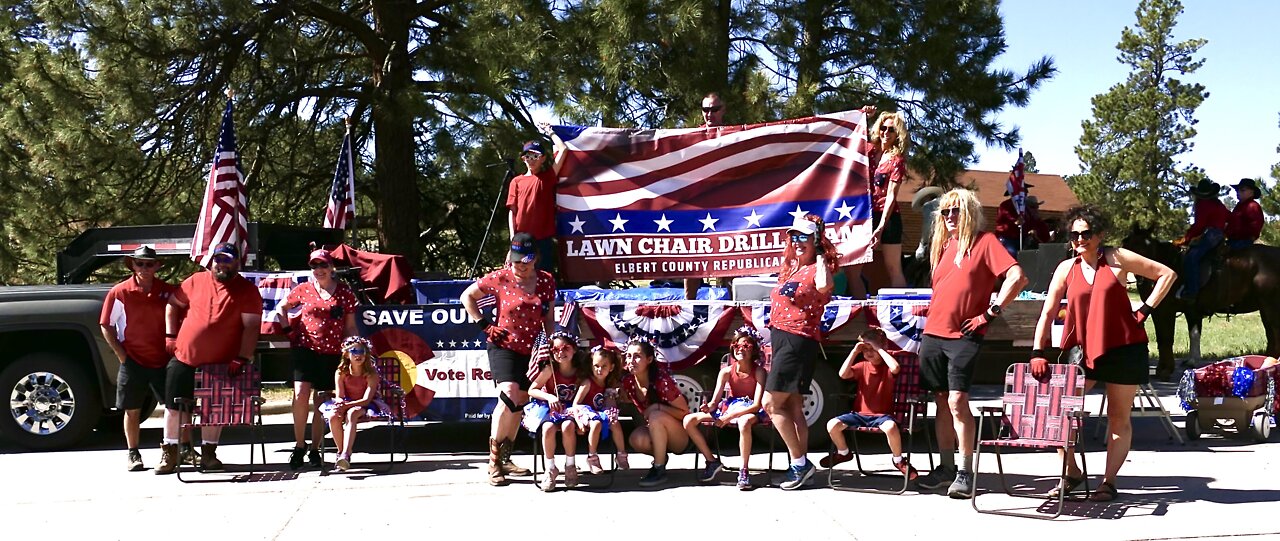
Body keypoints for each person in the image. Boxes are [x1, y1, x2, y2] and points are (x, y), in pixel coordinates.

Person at [1030, 205, 1176, 502]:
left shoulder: (1117, 258)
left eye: (1086, 233)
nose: (1079, 239)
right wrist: (1038, 351)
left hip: (1124, 348)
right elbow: (1047, 313)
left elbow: (1167, 274)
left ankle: (1108, 482)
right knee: (1057, 412)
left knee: (1118, 417)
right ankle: (1071, 472)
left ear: (1099, 234)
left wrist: (1145, 309)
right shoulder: (1065, 269)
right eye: (1074, 234)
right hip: (1083, 351)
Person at [914, 188, 1027, 498]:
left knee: (956, 402)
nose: (950, 217)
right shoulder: (945, 246)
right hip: (933, 334)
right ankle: (947, 468)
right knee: (940, 403)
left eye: (956, 211)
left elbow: (1017, 277)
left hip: (963, 336)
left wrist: (989, 314)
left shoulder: (985, 242)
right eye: (946, 212)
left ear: (970, 213)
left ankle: (965, 471)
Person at [155, 242, 263, 475]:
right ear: (212, 261)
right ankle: (170, 452)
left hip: (221, 363)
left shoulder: (247, 290)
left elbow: (251, 327)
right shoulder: (195, 281)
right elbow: (173, 305)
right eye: (218, 259)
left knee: (214, 409)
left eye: (227, 260)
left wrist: (242, 357)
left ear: (236, 262)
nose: (221, 264)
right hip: (184, 357)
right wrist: (170, 335)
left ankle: (209, 454)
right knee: (174, 407)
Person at [461, 232, 556, 486]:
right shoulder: (499, 278)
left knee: (521, 401)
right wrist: (484, 324)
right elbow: (467, 296)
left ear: (535, 258)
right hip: (504, 344)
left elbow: (548, 316)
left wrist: (552, 340)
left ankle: (506, 457)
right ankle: (492, 461)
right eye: (516, 261)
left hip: (533, 348)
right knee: (508, 393)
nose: (520, 267)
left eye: (524, 261)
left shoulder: (546, 281)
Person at [766, 213, 837, 490]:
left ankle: (800, 464)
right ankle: (799, 464)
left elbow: (824, 286)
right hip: (783, 337)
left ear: (816, 240)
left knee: (771, 404)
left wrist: (819, 253)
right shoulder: (793, 269)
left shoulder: (819, 267)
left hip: (798, 339)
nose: (797, 242)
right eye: (793, 237)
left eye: (804, 238)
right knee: (794, 406)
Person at [276, 248, 358, 470]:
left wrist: (353, 349)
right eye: (314, 266)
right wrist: (288, 331)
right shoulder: (303, 289)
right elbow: (280, 307)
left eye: (323, 265)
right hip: (305, 349)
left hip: (332, 353)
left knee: (323, 402)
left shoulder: (345, 293)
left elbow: (350, 326)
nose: (318, 270)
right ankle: (299, 445)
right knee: (300, 394)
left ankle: (315, 447)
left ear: (331, 267)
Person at [99, 246, 179, 471]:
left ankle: (180, 448)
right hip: (132, 361)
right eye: (140, 263)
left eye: (149, 264)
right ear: (132, 265)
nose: (145, 268)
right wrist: (122, 356)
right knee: (131, 409)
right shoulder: (120, 291)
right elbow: (106, 325)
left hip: (163, 360)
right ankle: (133, 453)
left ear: (157, 266)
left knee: (175, 407)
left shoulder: (168, 291)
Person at [820, 327, 917, 479]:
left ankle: (898, 460)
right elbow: (842, 374)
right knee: (832, 425)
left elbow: (896, 367)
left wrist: (879, 348)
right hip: (859, 415)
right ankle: (843, 453)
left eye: (872, 349)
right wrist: (854, 352)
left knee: (891, 427)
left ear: (882, 347)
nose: (869, 353)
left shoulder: (888, 367)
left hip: (882, 416)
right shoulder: (862, 366)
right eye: (865, 349)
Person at [682, 326, 767, 490]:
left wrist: (728, 417)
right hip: (729, 407)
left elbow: (757, 405)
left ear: (754, 350)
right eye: (736, 345)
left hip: (750, 410)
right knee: (689, 420)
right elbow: (715, 401)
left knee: (743, 422)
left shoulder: (759, 372)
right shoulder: (727, 372)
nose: (740, 349)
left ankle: (744, 471)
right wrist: (709, 406)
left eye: (746, 346)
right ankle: (712, 461)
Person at [844, 108, 909, 298]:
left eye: (891, 130)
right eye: (883, 128)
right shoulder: (870, 151)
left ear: (898, 134)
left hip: (888, 217)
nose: (885, 133)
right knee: (852, 270)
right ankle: (858, 316)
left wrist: (881, 226)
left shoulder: (897, 160)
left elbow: (891, 195)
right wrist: (862, 116)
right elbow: (852, 138)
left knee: (893, 268)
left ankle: (904, 316)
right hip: (864, 215)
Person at [620, 338, 691, 487]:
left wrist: (659, 407)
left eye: (637, 356)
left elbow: (685, 412)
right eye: (628, 356)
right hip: (656, 431)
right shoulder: (629, 382)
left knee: (656, 416)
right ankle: (660, 457)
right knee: (636, 438)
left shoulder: (661, 382)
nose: (631, 360)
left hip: (680, 436)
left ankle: (658, 469)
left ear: (649, 359)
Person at [526, 332, 587, 492]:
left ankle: (570, 465)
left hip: (572, 410)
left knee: (568, 426)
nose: (560, 353)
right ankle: (550, 468)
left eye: (565, 348)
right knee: (547, 428)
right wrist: (549, 396)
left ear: (574, 349)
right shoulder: (550, 370)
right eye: (555, 349)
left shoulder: (580, 371)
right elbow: (532, 390)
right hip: (552, 408)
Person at [320, 337, 387, 472]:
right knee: (333, 416)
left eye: (362, 351)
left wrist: (347, 406)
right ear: (346, 354)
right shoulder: (341, 372)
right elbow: (339, 395)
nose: (358, 355)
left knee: (352, 413)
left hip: (366, 405)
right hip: (347, 402)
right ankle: (341, 454)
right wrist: (340, 404)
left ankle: (346, 453)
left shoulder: (371, 374)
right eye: (354, 351)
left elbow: (366, 400)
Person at [685, 92, 728, 300]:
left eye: (714, 109)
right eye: (705, 110)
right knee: (693, 256)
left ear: (723, 110)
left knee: (732, 256)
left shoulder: (735, 135)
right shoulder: (691, 138)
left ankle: (731, 303)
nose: (709, 114)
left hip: (728, 206)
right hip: (699, 206)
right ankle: (688, 303)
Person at [507, 139, 565, 274]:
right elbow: (512, 210)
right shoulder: (516, 181)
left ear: (543, 159)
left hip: (543, 238)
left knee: (543, 274)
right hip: (520, 237)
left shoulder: (548, 177)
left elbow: (563, 149)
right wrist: (513, 237)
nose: (531, 160)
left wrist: (550, 132)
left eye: (535, 156)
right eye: (528, 156)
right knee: (519, 274)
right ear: (523, 158)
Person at [569, 346, 630, 475]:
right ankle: (592, 457)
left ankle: (621, 455)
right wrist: (579, 421)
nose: (599, 370)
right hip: (585, 412)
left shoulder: (610, 383)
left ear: (611, 368)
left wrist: (613, 400)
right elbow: (576, 403)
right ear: (591, 365)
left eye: (604, 366)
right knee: (596, 423)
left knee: (615, 423)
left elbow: (610, 404)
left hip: (599, 412)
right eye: (596, 365)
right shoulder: (588, 382)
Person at [1176, 179, 1228, 300]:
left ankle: (1191, 291)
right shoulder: (1218, 203)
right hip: (1219, 235)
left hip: (1210, 235)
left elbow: (1199, 226)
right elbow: (1228, 217)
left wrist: (1186, 239)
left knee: (1191, 257)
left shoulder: (1202, 204)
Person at [1226, 178, 1264, 249]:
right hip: (1233, 240)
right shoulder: (1239, 206)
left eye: (1242, 190)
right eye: (1237, 190)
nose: (1238, 192)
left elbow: (1256, 225)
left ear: (1252, 192)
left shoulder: (1253, 206)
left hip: (1243, 241)